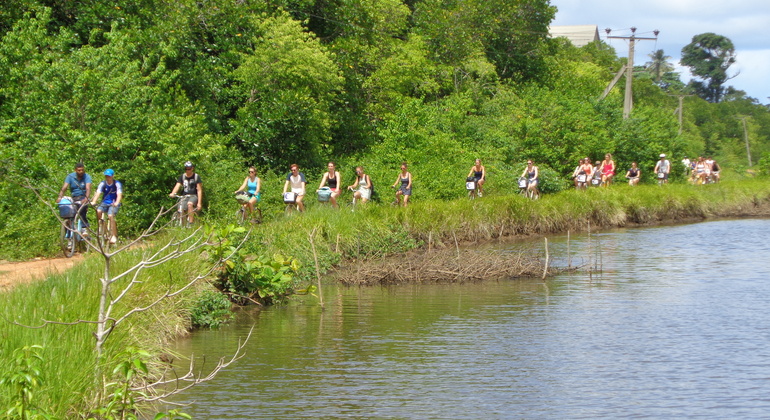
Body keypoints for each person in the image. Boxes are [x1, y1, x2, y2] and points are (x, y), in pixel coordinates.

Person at [57, 162, 92, 232]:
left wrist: (86, 198)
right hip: (74, 197)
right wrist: (59, 197)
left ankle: (84, 228)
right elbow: (64, 187)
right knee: (67, 210)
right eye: (79, 170)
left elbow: (88, 188)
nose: (81, 172)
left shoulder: (87, 177)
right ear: (75, 170)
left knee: (82, 209)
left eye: (82, 170)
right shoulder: (70, 176)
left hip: (83, 197)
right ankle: (68, 231)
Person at [90, 169, 123, 244]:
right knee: (98, 211)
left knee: (110, 216)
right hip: (104, 202)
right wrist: (94, 201)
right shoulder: (103, 183)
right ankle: (102, 228)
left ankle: (114, 235)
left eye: (109, 176)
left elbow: (119, 194)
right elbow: (98, 193)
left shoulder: (117, 184)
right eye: (106, 176)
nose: (107, 178)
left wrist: (117, 202)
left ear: (112, 176)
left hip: (113, 203)